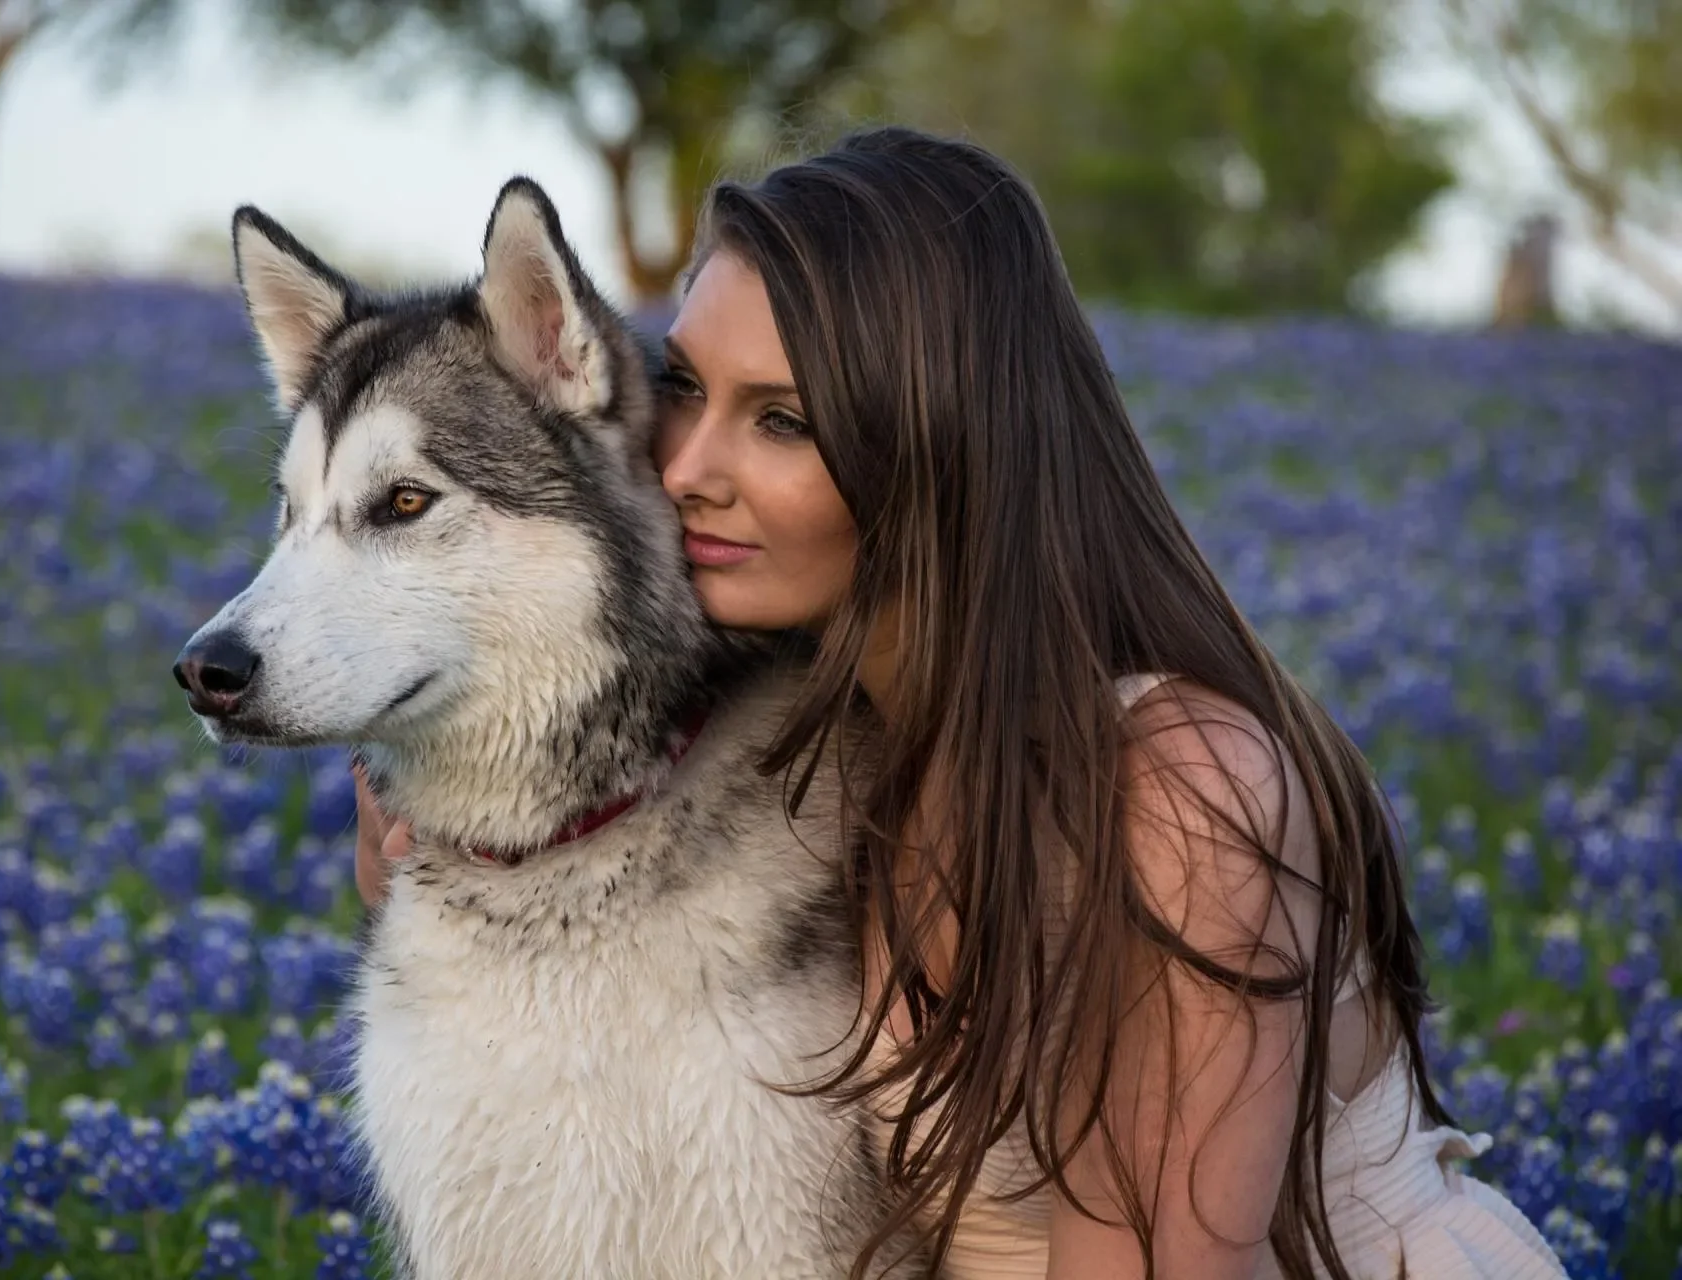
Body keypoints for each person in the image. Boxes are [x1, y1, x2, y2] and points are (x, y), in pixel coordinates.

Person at [350, 126, 1565, 1280]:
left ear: (931, 443)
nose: (679, 469)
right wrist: (466, 849)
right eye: (682, 386)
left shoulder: (1181, 790)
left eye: (781, 420)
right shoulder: (827, 738)